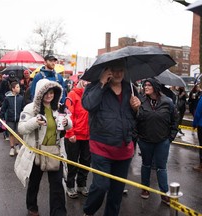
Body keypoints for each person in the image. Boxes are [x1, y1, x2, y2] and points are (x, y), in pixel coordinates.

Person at [81, 64, 141, 216]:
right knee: (101, 186)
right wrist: (101, 83)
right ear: (107, 71)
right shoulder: (95, 87)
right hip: (101, 147)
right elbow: (88, 105)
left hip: (124, 149)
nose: (118, 73)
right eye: (114, 69)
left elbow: (139, 118)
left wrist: (137, 108)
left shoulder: (131, 89)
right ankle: (89, 211)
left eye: (121, 69)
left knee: (116, 192)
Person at [18, 79, 72, 216]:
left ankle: (58, 213)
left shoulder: (58, 107)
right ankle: (32, 207)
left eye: (52, 92)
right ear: (39, 94)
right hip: (37, 152)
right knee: (34, 183)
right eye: (46, 93)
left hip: (55, 152)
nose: (49, 95)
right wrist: (35, 122)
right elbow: (21, 128)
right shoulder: (30, 108)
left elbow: (70, 122)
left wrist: (67, 122)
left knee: (57, 186)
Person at [136, 78, 178, 205]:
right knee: (146, 165)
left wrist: (171, 137)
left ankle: (164, 193)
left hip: (162, 141)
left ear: (155, 86)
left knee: (161, 167)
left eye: (149, 85)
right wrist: (137, 136)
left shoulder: (168, 102)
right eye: (145, 85)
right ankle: (145, 189)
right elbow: (134, 120)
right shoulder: (140, 101)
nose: (146, 87)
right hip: (145, 140)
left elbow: (175, 120)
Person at [64, 77, 90, 199]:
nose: (87, 82)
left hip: (88, 136)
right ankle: (70, 185)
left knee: (85, 162)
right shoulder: (72, 94)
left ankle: (81, 184)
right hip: (73, 136)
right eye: (85, 80)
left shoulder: (92, 95)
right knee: (72, 162)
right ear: (80, 80)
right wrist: (70, 133)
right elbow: (68, 115)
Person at [0, 81, 24, 156]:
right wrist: (1, 115)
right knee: (11, 133)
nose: (19, 88)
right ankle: (12, 147)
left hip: (19, 118)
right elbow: (4, 108)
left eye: (19, 87)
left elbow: (23, 108)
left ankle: (17, 146)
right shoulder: (7, 98)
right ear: (13, 89)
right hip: (10, 118)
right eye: (17, 87)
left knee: (18, 133)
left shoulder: (21, 98)